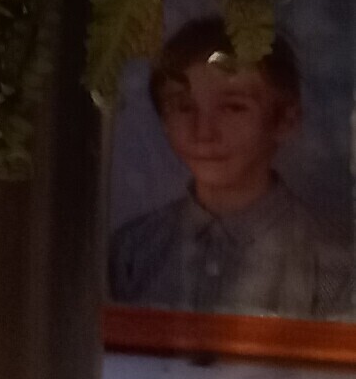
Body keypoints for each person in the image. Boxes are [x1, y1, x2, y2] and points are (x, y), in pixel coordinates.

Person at [109, 16, 354, 319]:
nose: (204, 132)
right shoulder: (132, 251)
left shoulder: (329, 262)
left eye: (232, 107)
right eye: (184, 107)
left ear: (285, 120)